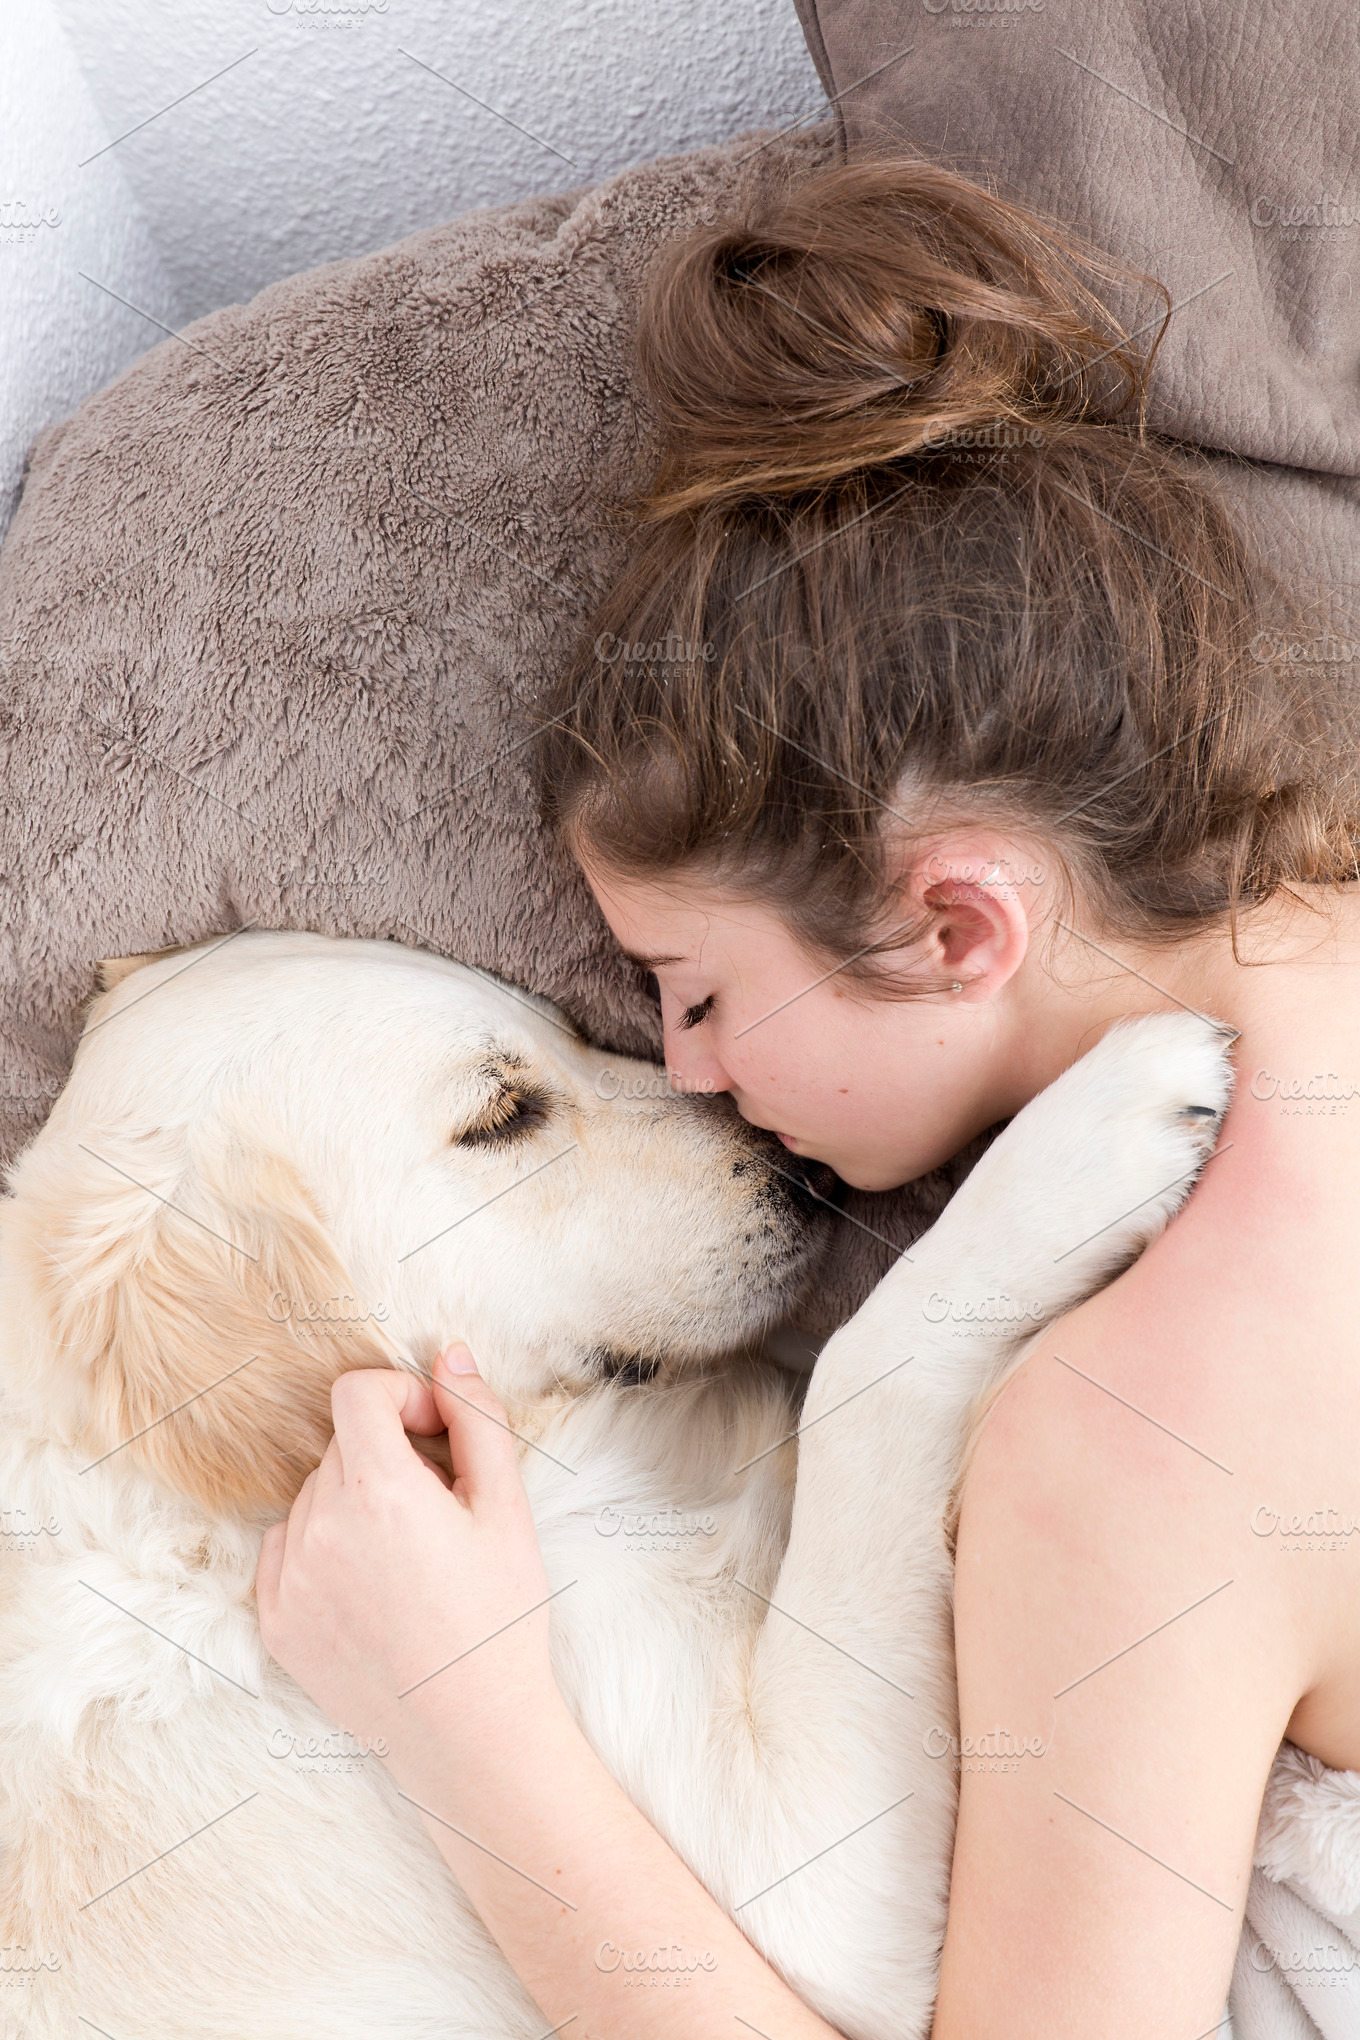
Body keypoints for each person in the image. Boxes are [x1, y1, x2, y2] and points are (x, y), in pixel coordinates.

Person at [256, 157, 1360, 2036]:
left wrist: (461, 1733)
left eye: (695, 992)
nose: (685, 1070)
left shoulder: (1138, 1454)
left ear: (953, 920)